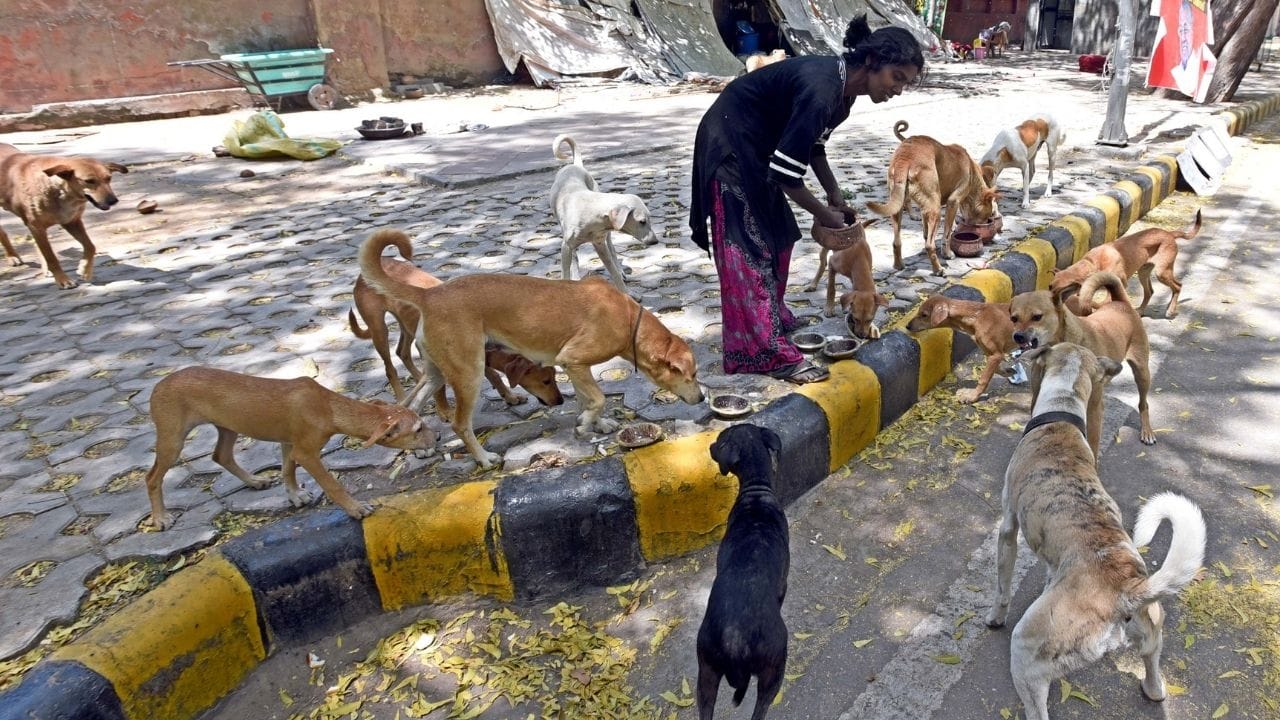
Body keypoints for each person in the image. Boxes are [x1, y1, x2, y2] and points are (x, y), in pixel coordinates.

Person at [690, 15, 924, 384]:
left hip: (761, 148)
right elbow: (786, 174)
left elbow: (813, 147)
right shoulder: (822, 89)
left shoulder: (844, 97)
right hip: (731, 143)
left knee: (780, 237)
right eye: (897, 78)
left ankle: (772, 318)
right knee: (750, 248)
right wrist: (824, 215)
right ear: (872, 62)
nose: (898, 89)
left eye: (906, 84)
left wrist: (834, 194)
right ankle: (758, 352)